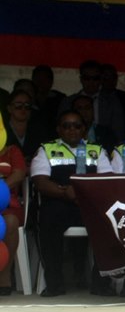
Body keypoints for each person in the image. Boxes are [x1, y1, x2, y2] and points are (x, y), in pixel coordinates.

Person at [30, 110, 112, 297]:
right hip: (59, 203)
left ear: (84, 129)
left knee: (110, 221)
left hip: (90, 205)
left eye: (77, 126)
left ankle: (101, 284)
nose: (72, 130)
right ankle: (55, 284)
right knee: (48, 219)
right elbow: (40, 182)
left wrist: (82, 195)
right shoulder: (46, 149)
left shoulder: (97, 150)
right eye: (66, 126)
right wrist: (65, 192)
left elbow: (106, 181)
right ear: (59, 129)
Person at [0, 141, 25, 295]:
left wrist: (1, 189)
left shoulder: (11, 151)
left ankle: (4, 277)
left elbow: (19, 174)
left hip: (7, 205)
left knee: (10, 222)